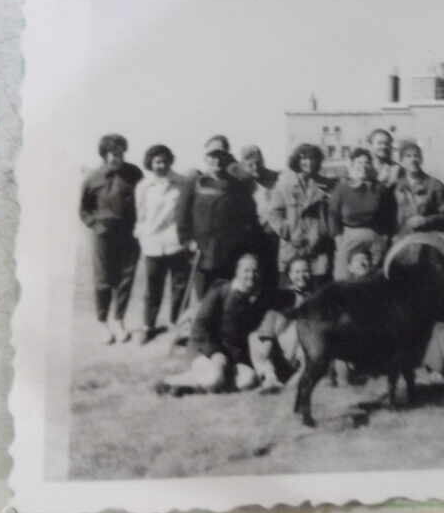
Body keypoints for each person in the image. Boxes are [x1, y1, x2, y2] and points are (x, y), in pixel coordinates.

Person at [166, 253, 270, 393]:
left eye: (255, 271)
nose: (251, 275)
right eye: (246, 270)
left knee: (248, 380)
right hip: (205, 350)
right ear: (237, 272)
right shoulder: (220, 290)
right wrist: (216, 353)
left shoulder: (253, 300)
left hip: (231, 357)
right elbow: (201, 327)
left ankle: (202, 383)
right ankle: (173, 383)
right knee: (214, 379)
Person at [176, 140, 261, 300]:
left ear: (227, 158)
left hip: (229, 252)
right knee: (204, 298)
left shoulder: (237, 186)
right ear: (205, 158)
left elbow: (249, 217)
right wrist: (187, 242)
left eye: (221, 156)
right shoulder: (195, 182)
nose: (217, 161)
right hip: (201, 252)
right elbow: (182, 216)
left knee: (227, 296)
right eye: (212, 156)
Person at [79, 133, 143, 344]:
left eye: (120, 153)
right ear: (104, 155)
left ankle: (119, 319)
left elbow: (144, 201)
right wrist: (95, 226)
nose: (117, 157)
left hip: (129, 233)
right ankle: (102, 322)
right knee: (104, 280)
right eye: (112, 154)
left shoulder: (134, 174)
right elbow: (84, 210)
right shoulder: (92, 178)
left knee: (126, 279)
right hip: (103, 234)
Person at [134, 143, 190, 342]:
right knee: (152, 288)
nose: (161, 165)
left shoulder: (182, 183)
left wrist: (186, 239)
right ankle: (148, 326)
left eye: (165, 161)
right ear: (150, 163)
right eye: (157, 162)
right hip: (152, 244)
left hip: (176, 243)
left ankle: (177, 325)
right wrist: (143, 238)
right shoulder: (143, 187)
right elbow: (140, 216)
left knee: (179, 287)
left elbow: (185, 214)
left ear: (170, 162)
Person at [270, 143, 336, 287]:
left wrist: (321, 233)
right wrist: (288, 232)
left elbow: (332, 215)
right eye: (304, 158)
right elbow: (275, 213)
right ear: (297, 161)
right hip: (291, 248)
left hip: (318, 249)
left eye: (313, 158)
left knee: (318, 293)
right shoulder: (284, 184)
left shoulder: (327, 186)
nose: (309, 162)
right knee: (290, 294)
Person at [328, 147, 395, 281]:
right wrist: (339, 241)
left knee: (374, 279)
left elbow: (388, 217)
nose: (363, 167)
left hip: (374, 239)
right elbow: (333, 216)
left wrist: (384, 240)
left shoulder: (380, 189)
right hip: (348, 238)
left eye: (367, 163)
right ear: (352, 165)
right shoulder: (341, 189)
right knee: (343, 278)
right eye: (359, 162)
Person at [249, 256, 314, 393]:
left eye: (305, 271)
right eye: (297, 272)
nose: (301, 276)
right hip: (280, 345)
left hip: (302, 348)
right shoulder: (283, 295)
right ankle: (270, 377)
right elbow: (271, 314)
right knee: (254, 337)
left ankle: (292, 383)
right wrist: (267, 338)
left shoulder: (316, 297)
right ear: (289, 274)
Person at [392, 140, 444, 236]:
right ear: (401, 162)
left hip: (427, 238)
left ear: (421, 159)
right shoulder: (396, 186)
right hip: (403, 239)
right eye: (408, 156)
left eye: (416, 155)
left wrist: (426, 220)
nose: (413, 159)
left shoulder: (435, 185)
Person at [240, 144, 280, 285]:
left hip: (272, 234)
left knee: (272, 274)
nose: (255, 168)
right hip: (251, 235)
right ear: (243, 165)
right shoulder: (241, 184)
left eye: (258, 163)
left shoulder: (275, 179)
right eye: (250, 165)